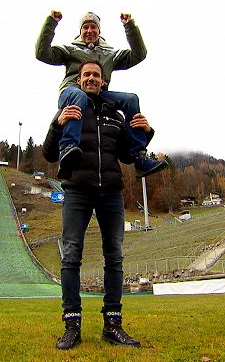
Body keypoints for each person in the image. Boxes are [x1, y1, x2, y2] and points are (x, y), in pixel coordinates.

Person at [42, 61, 150, 350]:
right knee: (70, 257)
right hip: (77, 190)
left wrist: (146, 131)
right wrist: (57, 123)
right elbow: (48, 152)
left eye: (96, 76)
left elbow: (128, 156)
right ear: (79, 80)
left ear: (104, 82)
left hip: (111, 193)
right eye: (86, 74)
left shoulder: (116, 114)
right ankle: (71, 324)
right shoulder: (70, 108)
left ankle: (112, 325)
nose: (91, 78)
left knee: (114, 257)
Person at [36, 10, 167, 180]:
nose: (89, 31)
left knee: (131, 99)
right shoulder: (70, 49)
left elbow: (138, 54)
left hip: (100, 95)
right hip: (72, 92)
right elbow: (42, 53)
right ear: (80, 31)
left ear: (99, 31)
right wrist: (51, 23)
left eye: (93, 27)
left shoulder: (109, 54)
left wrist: (130, 27)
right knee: (79, 95)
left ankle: (139, 157)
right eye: (85, 27)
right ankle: (68, 146)